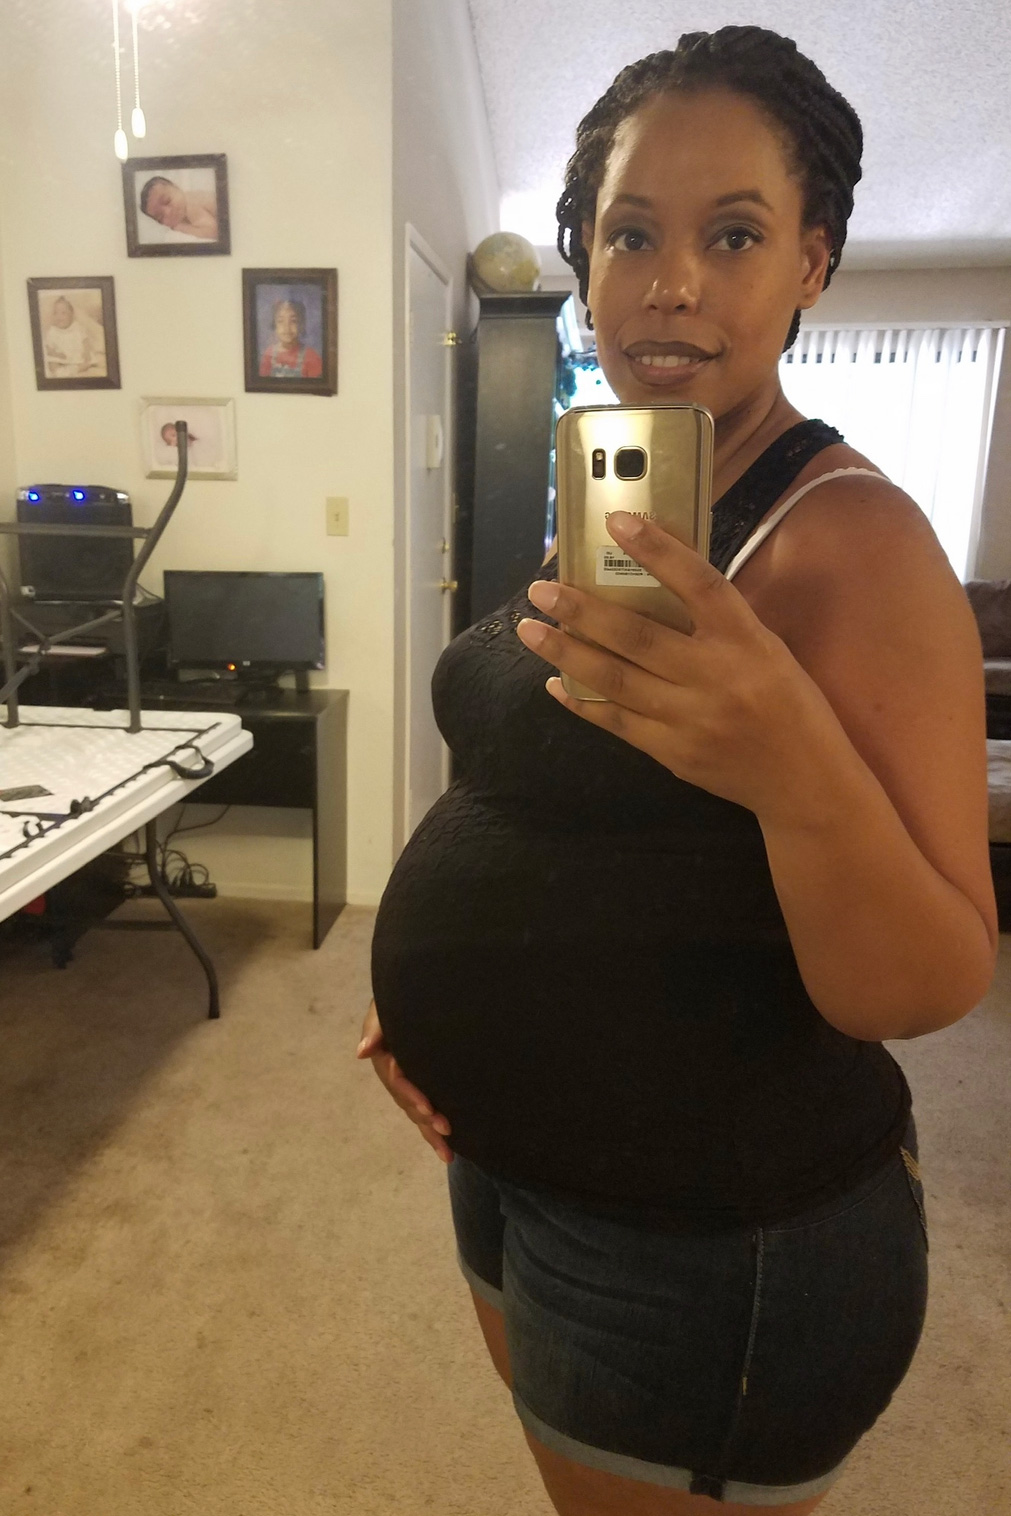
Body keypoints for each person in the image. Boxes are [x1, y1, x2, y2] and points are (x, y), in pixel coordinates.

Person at [359, 26, 995, 1516]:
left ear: (811, 264)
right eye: (631, 233)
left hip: (707, 1242)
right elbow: (540, 782)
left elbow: (928, 981)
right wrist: (439, 1001)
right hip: (515, 1165)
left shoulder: (855, 544)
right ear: (583, 259)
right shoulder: (625, 491)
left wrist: (791, 762)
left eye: (734, 235)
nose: (672, 283)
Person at [258, 298, 323, 379]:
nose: (287, 328)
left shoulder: (311, 357)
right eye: (280, 321)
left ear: (301, 325)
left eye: (293, 321)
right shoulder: (268, 355)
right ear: (275, 325)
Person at [138, 175, 218, 241]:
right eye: (160, 217)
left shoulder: (190, 203)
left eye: (167, 201)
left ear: (176, 187)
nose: (168, 212)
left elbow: (213, 232)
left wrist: (180, 228)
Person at [42, 295, 99, 378]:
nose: (59, 316)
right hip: (61, 357)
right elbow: (48, 347)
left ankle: (75, 369)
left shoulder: (77, 327)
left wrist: (86, 352)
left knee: (86, 362)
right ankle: (59, 372)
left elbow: (85, 340)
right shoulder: (52, 331)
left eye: (63, 313)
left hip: (76, 355)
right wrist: (56, 354)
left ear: (71, 315)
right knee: (51, 362)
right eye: (55, 313)